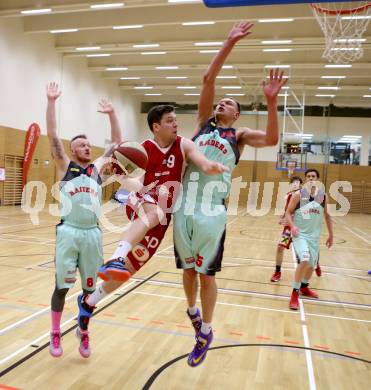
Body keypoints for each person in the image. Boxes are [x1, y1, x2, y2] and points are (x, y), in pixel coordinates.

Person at [172, 21, 287, 367]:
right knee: (188, 271)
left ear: (236, 114)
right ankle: (192, 310)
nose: (221, 103)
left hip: (211, 210)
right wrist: (229, 41)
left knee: (207, 273)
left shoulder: (238, 136)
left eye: (228, 103)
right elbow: (209, 80)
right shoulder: (203, 123)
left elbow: (271, 141)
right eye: (220, 102)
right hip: (185, 204)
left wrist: (271, 102)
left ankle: (206, 329)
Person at [77, 105, 228, 328]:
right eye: (169, 120)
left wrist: (211, 166)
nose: (175, 124)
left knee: (129, 269)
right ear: (156, 127)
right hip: (142, 200)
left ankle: (89, 302)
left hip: (161, 216)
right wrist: (119, 176)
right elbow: (137, 184)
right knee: (154, 213)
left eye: (175, 120)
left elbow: (202, 161)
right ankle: (117, 255)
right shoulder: (144, 149)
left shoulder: (183, 144)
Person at [46, 83, 122, 358]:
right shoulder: (66, 166)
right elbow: (53, 136)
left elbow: (115, 144)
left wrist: (112, 113)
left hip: (92, 234)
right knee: (62, 287)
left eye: (89, 144)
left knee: (91, 291)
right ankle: (55, 333)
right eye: (81, 144)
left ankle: (83, 330)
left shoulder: (97, 168)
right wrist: (51, 101)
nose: (87, 147)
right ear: (72, 149)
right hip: (69, 232)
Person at [285, 169, 334, 310]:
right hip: (300, 235)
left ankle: (304, 287)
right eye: (308, 176)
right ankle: (294, 293)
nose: (311, 178)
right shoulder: (298, 195)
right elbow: (288, 213)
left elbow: (328, 216)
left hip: (314, 237)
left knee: (312, 264)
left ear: (317, 179)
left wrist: (331, 235)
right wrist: (292, 226)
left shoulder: (323, 196)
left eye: (313, 176)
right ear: (305, 179)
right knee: (305, 259)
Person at [270, 176, 303, 282]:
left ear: (301, 184)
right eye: (293, 182)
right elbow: (286, 209)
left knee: (302, 253)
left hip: (301, 229)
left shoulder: (305, 196)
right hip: (289, 228)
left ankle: (315, 264)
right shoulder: (288, 196)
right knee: (280, 247)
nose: (295, 184)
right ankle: (277, 272)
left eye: (297, 182)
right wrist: (281, 217)